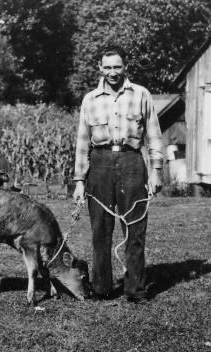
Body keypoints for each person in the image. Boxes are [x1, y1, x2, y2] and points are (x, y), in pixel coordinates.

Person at [73, 44, 163, 303]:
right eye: (108, 67)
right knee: (100, 229)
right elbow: (82, 142)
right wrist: (79, 180)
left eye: (117, 67)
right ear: (100, 68)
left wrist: (155, 171)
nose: (113, 72)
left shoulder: (141, 94)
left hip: (132, 162)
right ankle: (101, 288)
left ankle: (135, 289)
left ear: (126, 67)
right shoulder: (90, 99)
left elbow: (154, 135)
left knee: (134, 227)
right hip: (99, 164)